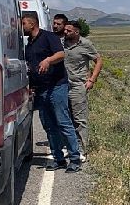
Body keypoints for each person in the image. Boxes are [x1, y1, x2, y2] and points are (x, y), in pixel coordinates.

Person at [22, 13, 82, 173]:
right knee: (49, 125)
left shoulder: (48, 37)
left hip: (56, 86)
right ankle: (59, 159)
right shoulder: (30, 43)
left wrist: (48, 60)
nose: (22, 27)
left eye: (23, 23)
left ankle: (75, 159)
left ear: (32, 24)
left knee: (63, 122)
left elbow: (61, 54)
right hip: (41, 90)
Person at [63, 19, 103, 156]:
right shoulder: (61, 43)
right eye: (65, 30)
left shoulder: (85, 44)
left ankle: (81, 150)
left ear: (76, 31)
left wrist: (92, 79)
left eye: (69, 30)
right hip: (62, 85)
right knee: (65, 118)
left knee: (79, 118)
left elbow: (98, 60)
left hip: (77, 85)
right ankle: (70, 147)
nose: (65, 32)